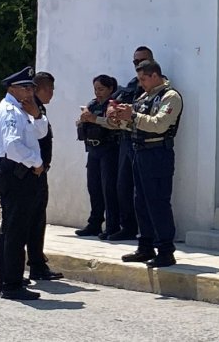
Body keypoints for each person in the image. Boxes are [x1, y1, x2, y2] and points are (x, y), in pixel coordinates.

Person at [111, 59, 183, 268]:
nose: (140, 83)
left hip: (157, 153)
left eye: (143, 78)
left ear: (154, 75)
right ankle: (146, 246)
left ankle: (165, 249)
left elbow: (159, 125)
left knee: (158, 202)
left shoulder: (170, 97)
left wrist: (132, 115)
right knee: (140, 201)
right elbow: (132, 122)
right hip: (139, 152)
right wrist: (118, 117)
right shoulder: (145, 96)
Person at [0, 66, 47, 300]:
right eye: (26, 87)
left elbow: (41, 133)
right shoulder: (10, 111)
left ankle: (8, 278)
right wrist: (36, 162)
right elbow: (13, 146)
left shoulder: (22, 108)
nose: (30, 90)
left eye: (32, 87)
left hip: (19, 173)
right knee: (15, 230)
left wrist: (36, 114)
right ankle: (11, 284)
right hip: (17, 173)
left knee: (12, 228)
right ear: (12, 88)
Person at [104, 46, 155, 241]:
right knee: (122, 186)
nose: (138, 65)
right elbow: (115, 100)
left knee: (144, 190)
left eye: (142, 61)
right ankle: (128, 227)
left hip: (145, 141)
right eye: (135, 62)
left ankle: (148, 232)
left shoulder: (158, 84)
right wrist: (112, 108)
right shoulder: (133, 84)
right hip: (126, 140)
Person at [25, 71, 64, 281]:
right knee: (34, 220)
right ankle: (36, 264)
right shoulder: (32, 109)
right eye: (50, 89)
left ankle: (36, 262)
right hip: (33, 172)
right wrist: (38, 164)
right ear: (40, 89)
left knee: (36, 220)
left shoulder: (38, 108)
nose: (52, 93)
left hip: (38, 170)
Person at [75, 75, 120, 239]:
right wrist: (82, 118)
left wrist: (95, 119)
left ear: (110, 89)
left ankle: (112, 225)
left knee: (108, 189)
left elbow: (114, 123)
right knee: (94, 187)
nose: (97, 92)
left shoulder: (113, 104)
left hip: (108, 149)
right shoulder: (92, 104)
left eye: (101, 89)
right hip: (93, 150)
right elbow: (79, 122)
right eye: (95, 89)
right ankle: (94, 223)